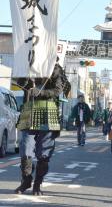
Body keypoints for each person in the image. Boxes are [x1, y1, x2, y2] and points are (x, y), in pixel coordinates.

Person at [15, 60, 67, 195]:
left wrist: (40, 92)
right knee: (25, 148)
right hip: (29, 111)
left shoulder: (55, 68)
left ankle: (37, 184)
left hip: (48, 112)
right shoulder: (27, 64)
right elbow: (20, 83)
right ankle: (26, 180)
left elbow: (58, 89)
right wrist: (26, 74)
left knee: (44, 153)